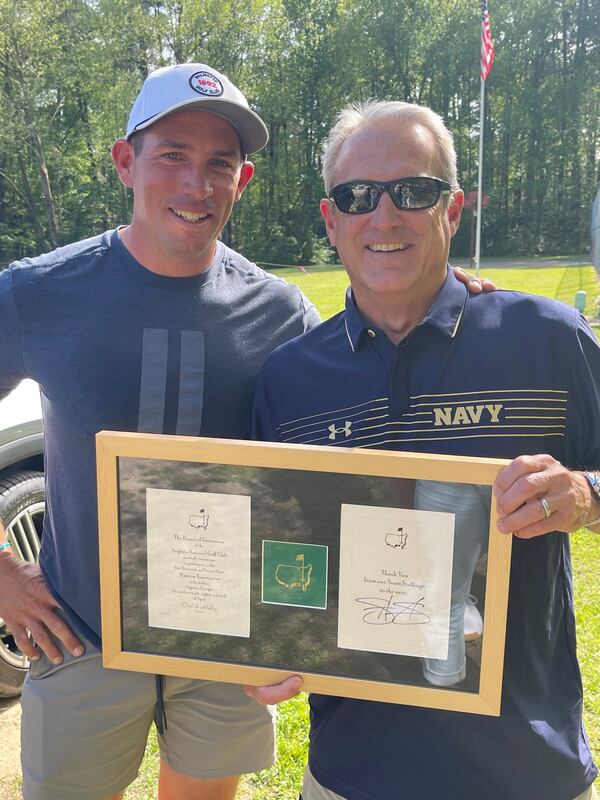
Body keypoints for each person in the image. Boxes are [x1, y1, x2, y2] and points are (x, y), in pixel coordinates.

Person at [0, 63, 492, 799]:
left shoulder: (280, 311)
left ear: (244, 177)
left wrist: (455, 298)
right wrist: (3, 572)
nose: (197, 184)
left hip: (226, 637)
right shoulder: (37, 293)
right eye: (173, 155)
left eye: (219, 163)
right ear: (125, 161)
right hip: (83, 632)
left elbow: (351, 434)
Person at [251, 100, 600, 800]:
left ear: (454, 209)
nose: (384, 218)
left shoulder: (547, 339)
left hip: (525, 768)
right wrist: (265, 642)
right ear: (331, 220)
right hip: (352, 772)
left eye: (414, 191)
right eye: (358, 197)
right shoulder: (289, 380)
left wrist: (587, 494)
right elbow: (272, 555)